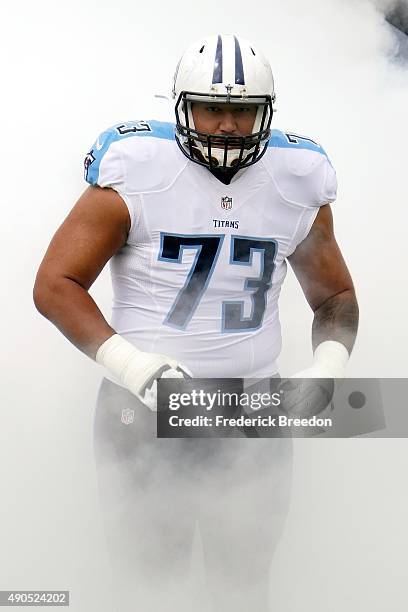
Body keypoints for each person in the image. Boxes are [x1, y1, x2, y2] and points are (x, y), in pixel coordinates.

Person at [33, 33, 358, 612]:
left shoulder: (298, 179)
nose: (228, 125)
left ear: (267, 113)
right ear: (182, 106)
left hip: (254, 409)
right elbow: (55, 285)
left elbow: (333, 294)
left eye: (242, 110)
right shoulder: (136, 171)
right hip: (144, 407)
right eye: (213, 107)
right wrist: (134, 366)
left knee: (244, 583)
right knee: (148, 584)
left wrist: (328, 366)